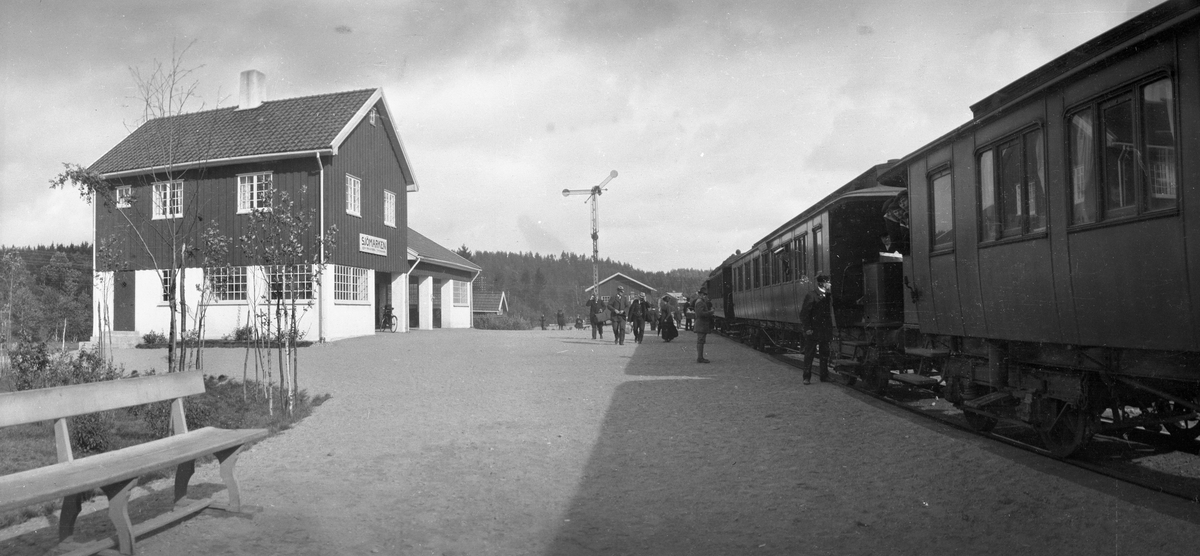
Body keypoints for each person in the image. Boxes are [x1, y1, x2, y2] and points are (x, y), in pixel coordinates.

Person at [799, 274, 833, 385]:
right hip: (813, 330)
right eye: (828, 282)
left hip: (824, 330)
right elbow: (804, 314)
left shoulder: (828, 296)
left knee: (824, 353)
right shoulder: (811, 295)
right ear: (822, 283)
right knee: (810, 354)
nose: (830, 284)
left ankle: (824, 376)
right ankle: (806, 377)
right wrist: (807, 328)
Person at [693, 287, 713, 363]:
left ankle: (700, 357)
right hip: (701, 324)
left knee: (701, 341)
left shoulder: (700, 301)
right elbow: (700, 314)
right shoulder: (700, 302)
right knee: (701, 341)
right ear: (700, 294)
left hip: (701, 324)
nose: (705, 296)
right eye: (704, 295)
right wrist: (710, 312)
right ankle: (700, 358)